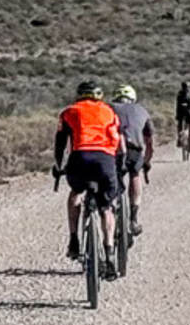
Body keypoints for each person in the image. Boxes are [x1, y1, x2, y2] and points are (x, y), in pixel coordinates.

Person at [54, 81, 125, 265]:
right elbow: (117, 140)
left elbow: (60, 143)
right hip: (105, 160)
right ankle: (109, 250)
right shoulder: (109, 111)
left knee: (76, 193)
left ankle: (73, 239)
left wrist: (58, 165)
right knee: (107, 207)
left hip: (80, 157)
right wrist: (117, 165)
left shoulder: (70, 112)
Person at [110, 85, 156, 235]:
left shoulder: (108, 107)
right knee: (135, 176)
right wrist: (147, 162)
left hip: (113, 150)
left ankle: (113, 211)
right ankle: (134, 218)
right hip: (134, 150)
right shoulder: (142, 110)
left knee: (113, 178)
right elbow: (149, 142)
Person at [175, 80, 190, 157]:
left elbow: (177, 106)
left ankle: (179, 139)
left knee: (179, 124)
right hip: (189, 113)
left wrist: (177, 115)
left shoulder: (179, 94)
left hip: (181, 112)